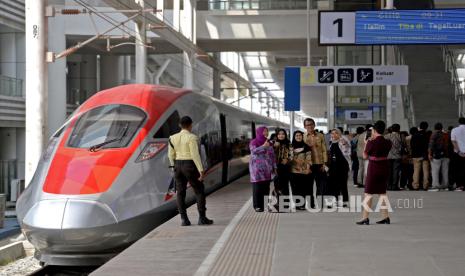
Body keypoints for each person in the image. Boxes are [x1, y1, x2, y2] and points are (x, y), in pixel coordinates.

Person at [168, 116, 213, 226]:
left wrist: (173, 167)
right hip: (190, 165)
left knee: (180, 193)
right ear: (190, 125)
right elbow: (195, 155)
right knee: (199, 190)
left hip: (178, 166)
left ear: (180, 125)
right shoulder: (192, 137)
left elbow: (170, 155)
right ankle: (202, 218)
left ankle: (184, 220)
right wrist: (201, 170)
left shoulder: (172, 138)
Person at [356, 121, 392, 225]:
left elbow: (365, 156)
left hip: (374, 167)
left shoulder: (371, 142)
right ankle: (386, 217)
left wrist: (366, 142)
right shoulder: (388, 142)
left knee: (368, 193)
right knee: (382, 193)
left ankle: (365, 218)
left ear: (374, 130)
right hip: (385, 167)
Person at [249, 126, 277, 212]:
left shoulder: (269, 142)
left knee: (266, 187)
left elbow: (272, 156)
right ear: (259, 132)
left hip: (267, 170)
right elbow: (253, 151)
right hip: (256, 170)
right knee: (257, 188)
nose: (266, 133)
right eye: (264, 131)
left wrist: (274, 167)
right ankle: (257, 206)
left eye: (267, 131)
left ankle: (264, 204)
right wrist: (264, 146)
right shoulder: (254, 142)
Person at [303, 118, 328, 198]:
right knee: (308, 185)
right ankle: (311, 203)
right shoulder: (303, 136)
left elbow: (324, 150)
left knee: (321, 185)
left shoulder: (320, 136)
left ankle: (319, 201)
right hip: (308, 165)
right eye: (307, 125)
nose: (309, 126)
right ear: (304, 126)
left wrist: (325, 163)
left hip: (319, 164)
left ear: (314, 125)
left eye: (311, 124)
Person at [289, 131, 313, 210]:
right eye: (296, 135)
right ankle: (297, 204)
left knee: (303, 188)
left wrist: (308, 169)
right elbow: (289, 159)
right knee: (295, 189)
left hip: (304, 171)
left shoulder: (306, 147)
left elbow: (309, 159)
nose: (298, 137)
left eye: (300, 135)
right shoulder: (291, 147)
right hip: (293, 171)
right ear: (294, 137)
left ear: (302, 137)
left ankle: (302, 205)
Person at [328, 129, 351, 208]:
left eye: (336, 133)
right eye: (332, 133)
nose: (334, 135)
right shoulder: (331, 143)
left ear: (339, 134)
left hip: (343, 165)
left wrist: (344, 144)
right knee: (333, 184)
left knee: (343, 183)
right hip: (333, 166)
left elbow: (347, 152)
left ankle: (345, 201)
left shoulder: (342, 141)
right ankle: (336, 200)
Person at [272, 129, 292, 209]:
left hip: (286, 167)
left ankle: (286, 205)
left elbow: (292, 154)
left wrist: (288, 159)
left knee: (285, 186)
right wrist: (274, 147)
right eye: (279, 134)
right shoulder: (273, 144)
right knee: (277, 186)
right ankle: (278, 205)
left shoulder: (289, 144)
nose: (281, 135)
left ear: (285, 135)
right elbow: (270, 155)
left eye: (283, 134)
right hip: (276, 167)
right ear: (277, 135)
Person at [428, 123, 450, 191]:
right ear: (441, 127)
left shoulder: (434, 134)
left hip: (436, 155)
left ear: (435, 128)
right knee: (445, 171)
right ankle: (445, 185)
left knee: (435, 171)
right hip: (446, 155)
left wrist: (429, 154)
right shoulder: (446, 134)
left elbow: (431, 145)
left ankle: (436, 185)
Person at [411, 122, 431, 190]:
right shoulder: (427, 135)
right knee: (426, 171)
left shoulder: (414, 135)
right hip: (425, 155)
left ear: (419, 126)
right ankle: (425, 185)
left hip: (416, 155)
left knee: (416, 171)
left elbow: (412, 145)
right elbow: (429, 145)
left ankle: (416, 186)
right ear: (426, 127)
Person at [385, 124, 402, 190]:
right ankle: (395, 186)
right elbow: (403, 145)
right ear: (399, 129)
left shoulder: (387, 136)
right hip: (397, 156)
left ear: (391, 129)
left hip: (388, 156)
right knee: (396, 171)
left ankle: (388, 186)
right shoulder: (400, 136)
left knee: (389, 171)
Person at [451, 117, 465, 191]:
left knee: (458, 169)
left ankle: (459, 185)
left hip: (458, 153)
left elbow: (454, 141)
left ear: (459, 122)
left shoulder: (454, 130)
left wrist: (459, 151)